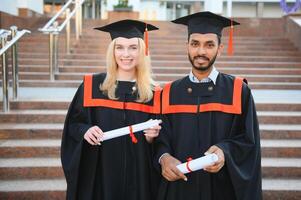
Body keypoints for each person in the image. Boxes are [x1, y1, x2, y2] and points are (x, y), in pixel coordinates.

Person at [154, 12, 262, 200]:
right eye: (195, 44)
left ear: (220, 48)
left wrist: (224, 151)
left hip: (222, 188)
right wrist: (164, 157)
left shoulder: (238, 90)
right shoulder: (169, 93)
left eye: (209, 45)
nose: (201, 51)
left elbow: (249, 141)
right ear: (187, 46)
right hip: (180, 188)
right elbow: (161, 138)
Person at [61, 19, 162, 200]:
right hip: (101, 173)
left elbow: (166, 141)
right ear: (112, 51)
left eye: (133, 47)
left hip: (139, 178)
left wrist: (150, 139)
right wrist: (85, 130)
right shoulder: (92, 86)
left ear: (142, 51)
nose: (126, 54)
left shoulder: (154, 93)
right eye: (119, 47)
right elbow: (73, 125)